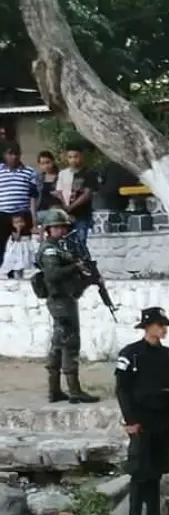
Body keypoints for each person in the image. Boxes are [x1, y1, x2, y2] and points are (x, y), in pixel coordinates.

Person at [115, 307, 169, 515]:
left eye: (165, 324)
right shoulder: (131, 354)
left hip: (162, 421)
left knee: (155, 473)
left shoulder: (167, 355)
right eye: (159, 324)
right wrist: (130, 421)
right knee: (139, 474)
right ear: (148, 327)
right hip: (141, 422)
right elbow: (122, 389)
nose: (164, 329)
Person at [34, 208, 99, 404]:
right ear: (49, 229)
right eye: (57, 227)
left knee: (58, 344)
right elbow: (52, 274)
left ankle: (55, 390)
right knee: (70, 343)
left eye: (63, 227)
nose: (62, 231)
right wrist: (75, 267)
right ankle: (74, 390)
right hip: (60, 300)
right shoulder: (50, 250)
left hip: (66, 298)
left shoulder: (61, 248)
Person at [0, 142, 37, 262]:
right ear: (4, 155)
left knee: (22, 247)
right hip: (2, 214)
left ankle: (22, 272)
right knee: (2, 245)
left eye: (16, 154)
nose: (14, 157)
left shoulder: (29, 172)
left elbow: (33, 197)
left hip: (22, 214)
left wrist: (33, 219)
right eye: (10, 154)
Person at [57, 145, 97, 246]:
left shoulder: (89, 173)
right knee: (68, 241)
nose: (73, 160)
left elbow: (87, 194)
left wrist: (71, 207)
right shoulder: (63, 174)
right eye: (70, 157)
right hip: (66, 215)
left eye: (76, 156)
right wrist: (65, 206)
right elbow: (59, 192)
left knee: (81, 240)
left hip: (82, 214)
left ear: (81, 156)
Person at [0, 212, 36, 278]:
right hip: (17, 253)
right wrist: (18, 230)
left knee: (28, 268)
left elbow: (32, 237)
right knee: (17, 268)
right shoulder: (14, 232)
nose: (19, 224)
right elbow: (17, 238)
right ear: (12, 224)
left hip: (26, 252)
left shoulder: (28, 230)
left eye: (21, 221)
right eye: (16, 223)